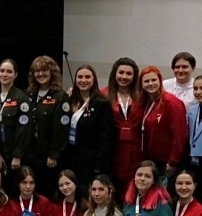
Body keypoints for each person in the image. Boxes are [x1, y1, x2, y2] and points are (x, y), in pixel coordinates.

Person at [25, 56, 70, 196]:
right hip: (31, 154)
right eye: (37, 71)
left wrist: (53, 154)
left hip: (48, 157)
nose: (40, 74)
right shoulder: (29, 94)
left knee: (46, 193)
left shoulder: (60, 96)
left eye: (44, 70)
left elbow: (61, 130)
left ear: (52, 72)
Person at [66, 65, 114, 194]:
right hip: (72, 158)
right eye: (80, 77)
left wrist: (99, 165)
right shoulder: (70, 100)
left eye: (87, 77)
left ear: (94, 80)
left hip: (92, 161)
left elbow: (106, 137)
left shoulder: (102, 103)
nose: (83, 80)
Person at [138, 65, 188, 180]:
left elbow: (180, 134)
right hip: (153, 160)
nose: (150, 83)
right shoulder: (147, 102)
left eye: (154, 80)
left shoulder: (171, 103)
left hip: (167, 162)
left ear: (160, 81)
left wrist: (173, 161)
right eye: (146, 81)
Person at [106, 57, 144, 193]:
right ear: (114, 74)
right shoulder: (103, 95)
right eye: (121, 72)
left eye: (129, 74)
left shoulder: (142, 96)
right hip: (113, 151)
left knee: (132, 190)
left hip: (136, 151)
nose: (124, 77)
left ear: (134, 76)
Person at [0, 60, 32, 185]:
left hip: (15, 156)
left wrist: (17, 156)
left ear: (15, 75)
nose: (4, 74)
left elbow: (25, 130)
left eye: (9, 71)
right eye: (2, 71)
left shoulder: (21, 98)